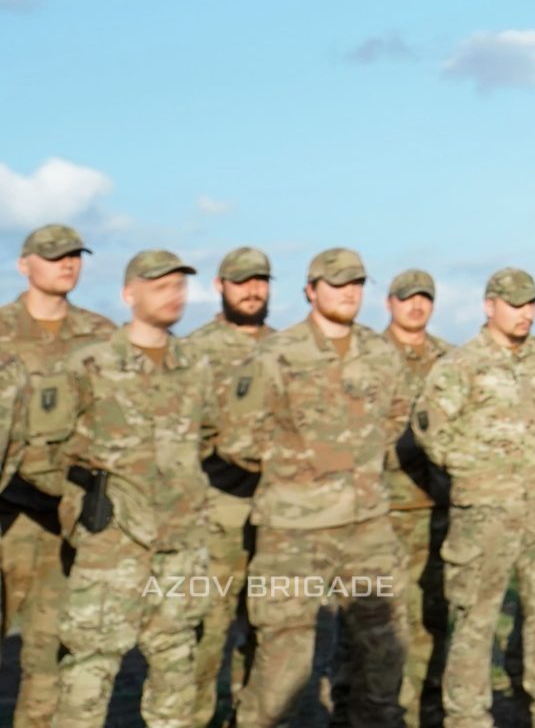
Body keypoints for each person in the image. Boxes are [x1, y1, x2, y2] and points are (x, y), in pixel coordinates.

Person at [212, 246, 409, 728]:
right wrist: (300, 464)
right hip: (293, 529)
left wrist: (353, 464)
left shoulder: (381, 353)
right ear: (311, 290)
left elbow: (396, 415)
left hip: (367, 526)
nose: (348, 293)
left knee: (383, 652)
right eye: (337, 284)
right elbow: (236, 438)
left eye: (357, 284)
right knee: (285, 661)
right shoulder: (275, 354)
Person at [413, 269, 535, 728]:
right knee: (475, 618)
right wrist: (478, 469)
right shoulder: (461, 364)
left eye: (531, 303)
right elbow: (430, 429)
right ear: (489, 305)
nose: (525, 313)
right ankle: (467, 716)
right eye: (515, 304)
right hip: (484, 512)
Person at [54, 250, 212, 728]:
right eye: (160, 286)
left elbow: (210, 437)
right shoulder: (88, 364)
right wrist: (83, 510)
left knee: (176, 664)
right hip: (111, 546)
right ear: (129, 294)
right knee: (89, 669)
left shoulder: (197, 366)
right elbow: (46, 449)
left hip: (181, 545)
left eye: (179, 286)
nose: (174, 295)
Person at [0, 222, 116, 728]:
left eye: (74, 255)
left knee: (49, 654)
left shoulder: (103, 336)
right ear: (25, 265)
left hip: (66, 516)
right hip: (6, 512)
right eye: (53, 256)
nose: (67, 263)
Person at [186, 244, 273, 726]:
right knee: (207, 634)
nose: (253, 290)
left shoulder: (285, 347)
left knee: (268, 632)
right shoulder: (195, 351)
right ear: (220, 287)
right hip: (215, 514)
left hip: (277, 516)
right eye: (241, 281)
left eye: (260, 280)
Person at [380, 268, 450, 725]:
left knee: (434, 615)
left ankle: (429, 707)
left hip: (437, 504)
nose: (416, 305)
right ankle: (369, 711)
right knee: (380, 621)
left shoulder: (450, 358)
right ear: (390, 303)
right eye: (408, 298)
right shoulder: (370, 355)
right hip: (382, 509)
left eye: (424, 297)